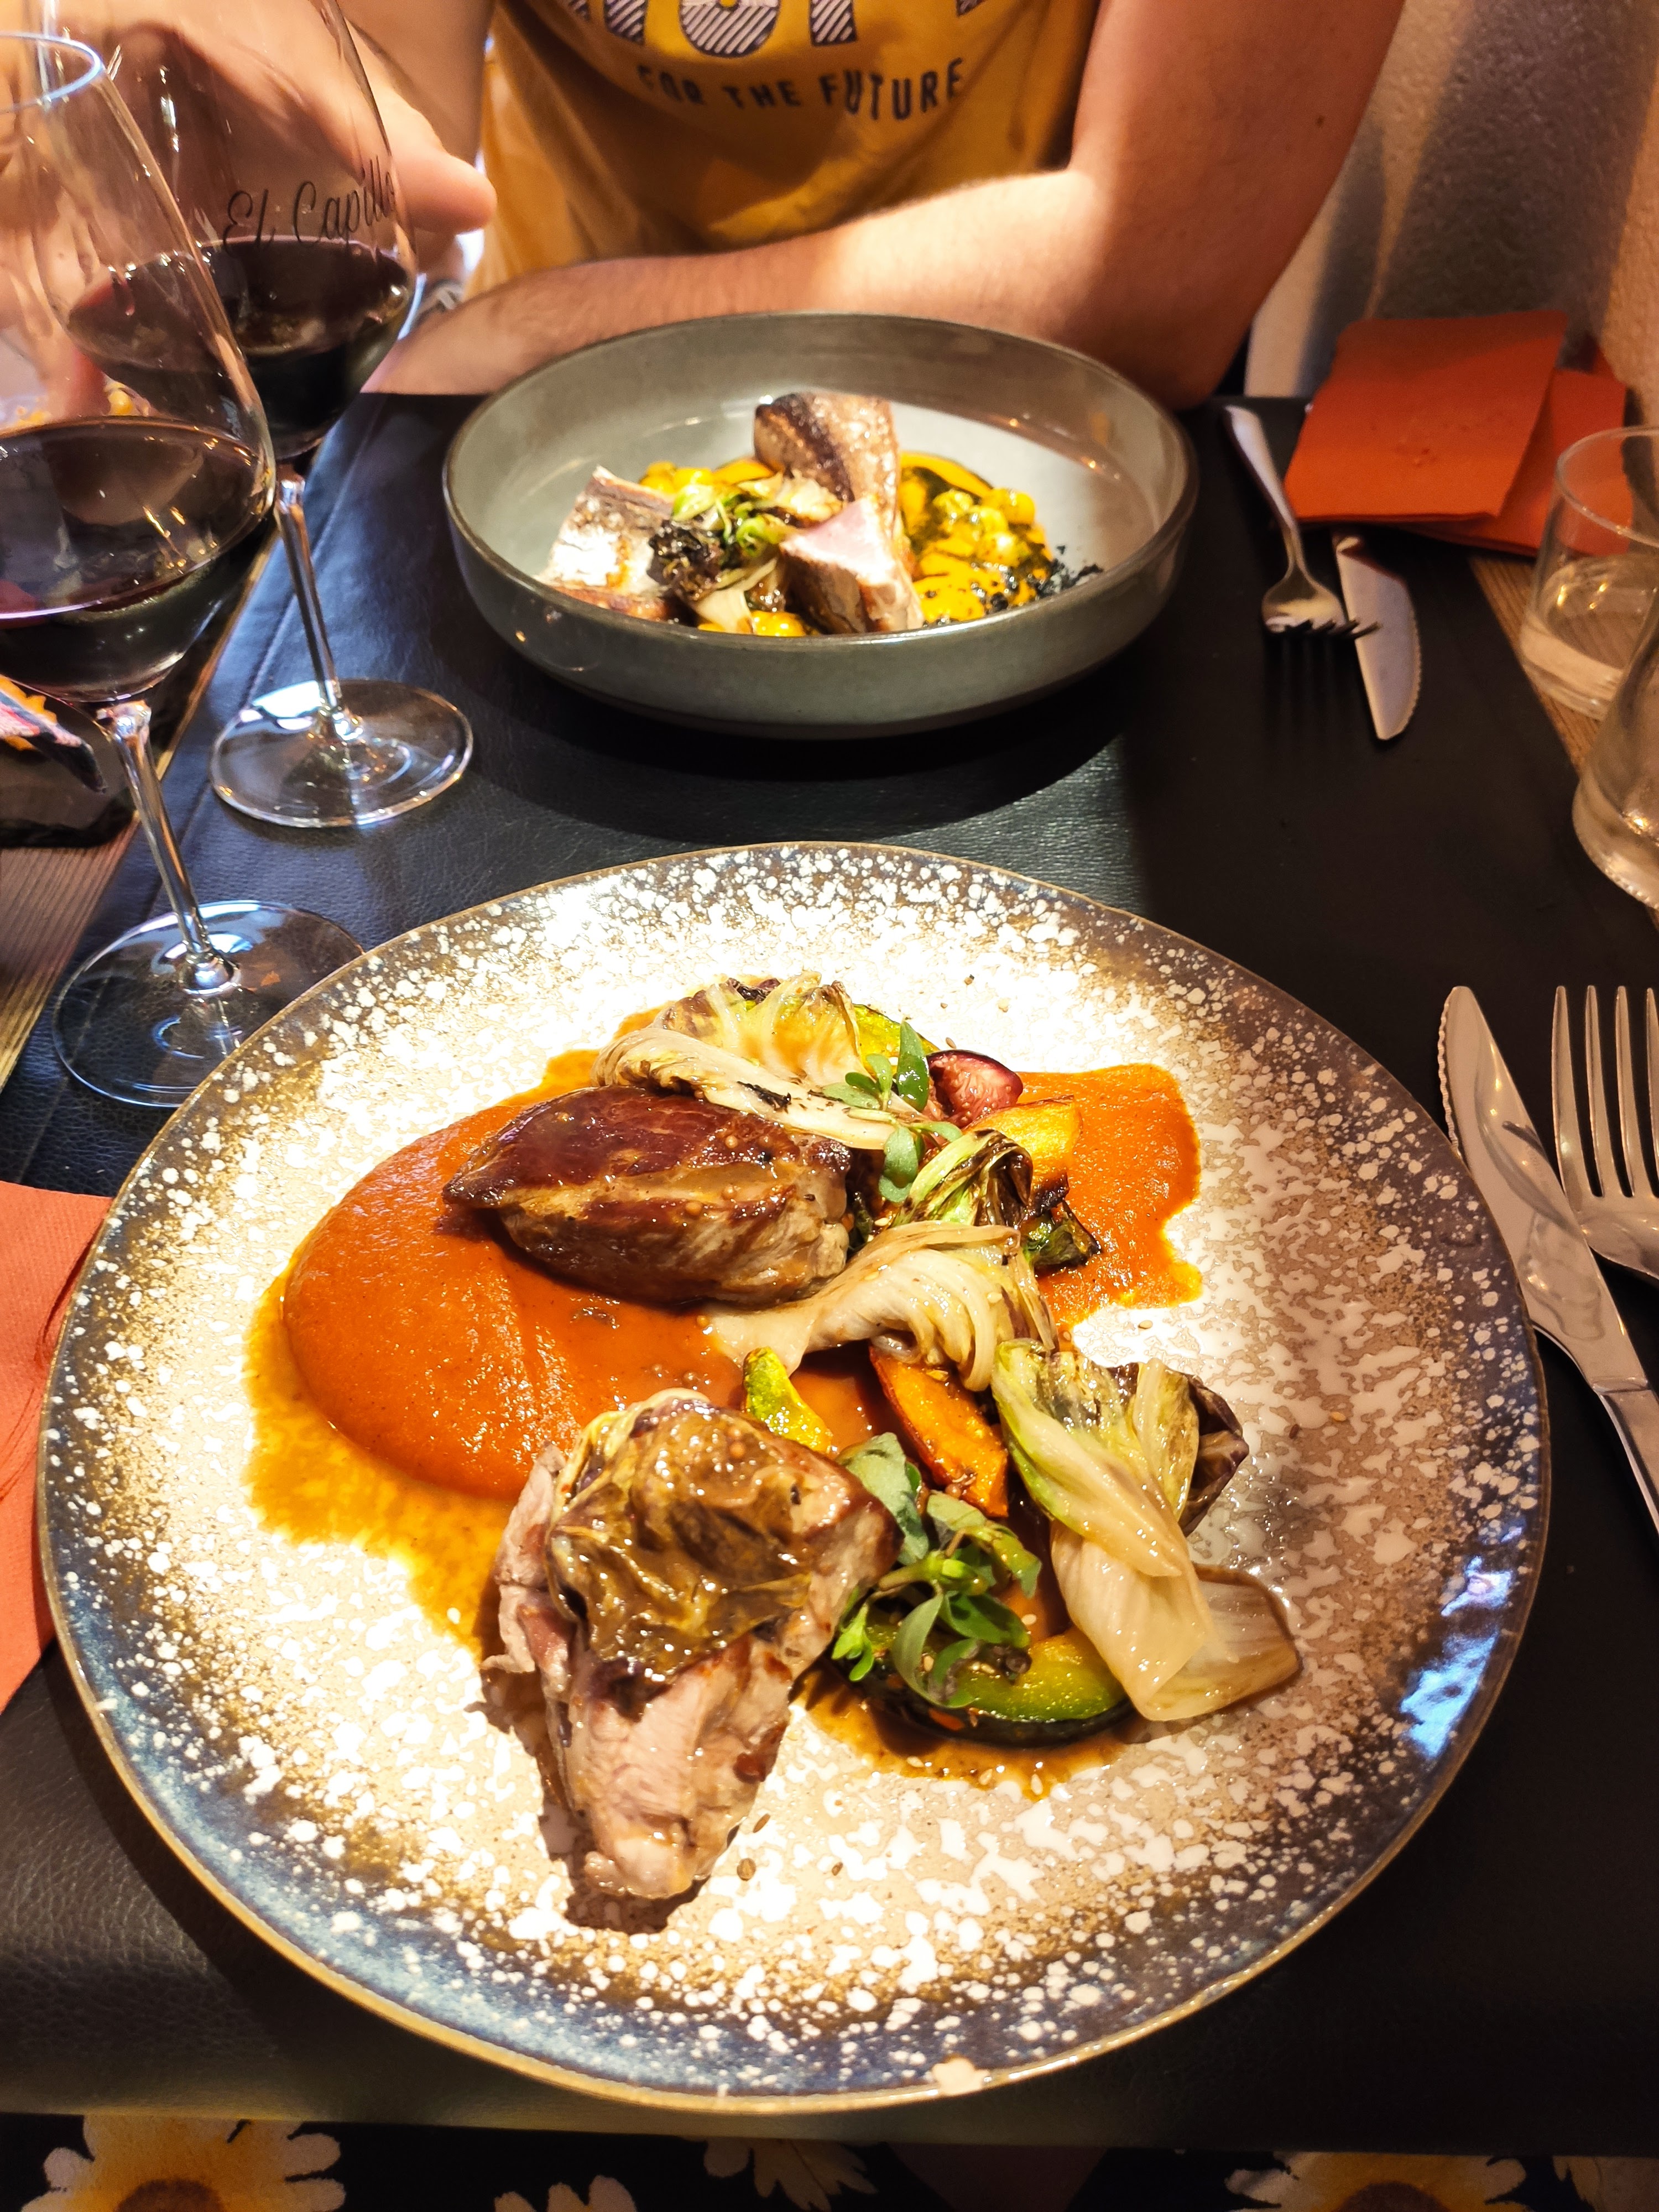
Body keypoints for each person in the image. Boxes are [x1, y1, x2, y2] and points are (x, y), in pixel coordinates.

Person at [349, 0, 1403, 405]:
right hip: (540, 438)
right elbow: (388, 152)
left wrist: (542, 331)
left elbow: (1156, 279)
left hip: (1019, 423)